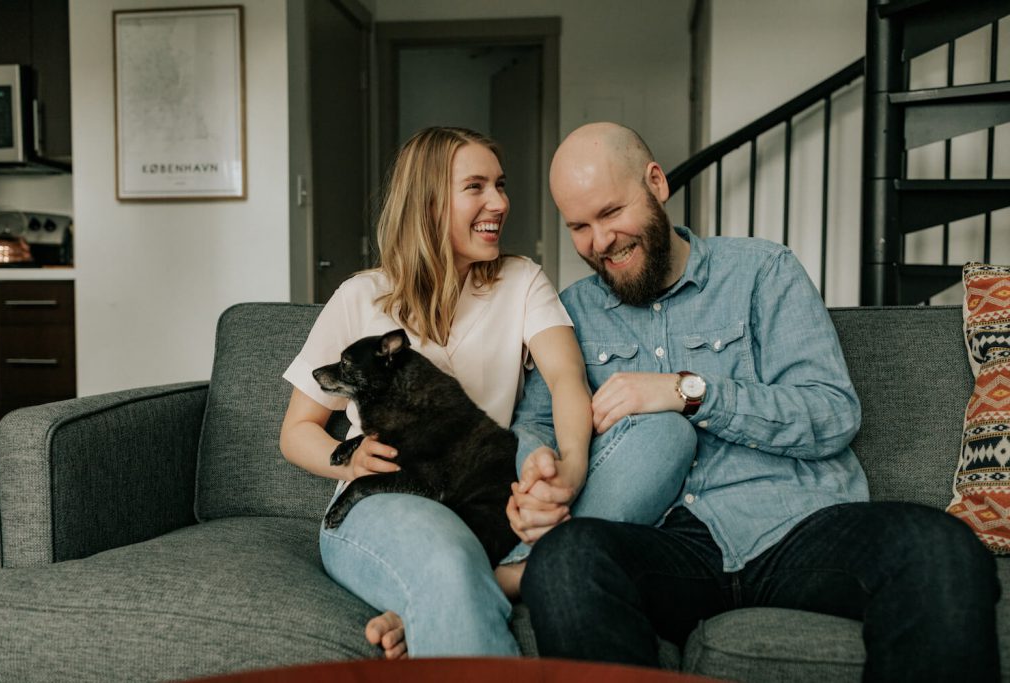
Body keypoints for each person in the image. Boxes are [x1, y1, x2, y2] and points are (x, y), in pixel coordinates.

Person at [511, 122, 1000, 681]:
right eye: (578, 226)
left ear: (656, 183)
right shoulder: (570, 313)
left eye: (610, 213)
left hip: (797, 528)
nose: (599, 242)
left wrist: (688, 391)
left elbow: (831, 413)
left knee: (940, 547)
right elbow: (536, 426)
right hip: (665, 545)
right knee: (566, 561)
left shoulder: (763, 271)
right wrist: (538, 467)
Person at [278, 126, 693, 659]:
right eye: (475, 187)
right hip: (390, 497)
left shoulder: (521, 281)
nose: (499, 202)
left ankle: (501, 576)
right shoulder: (361, 296)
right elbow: (296, 432)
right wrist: (351, 460)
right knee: (447, 565)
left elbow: (567, 380)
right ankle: (497, 577)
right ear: (428, 203)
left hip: (486, 495)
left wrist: (571, 468)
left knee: (662, 433)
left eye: (500, 185)